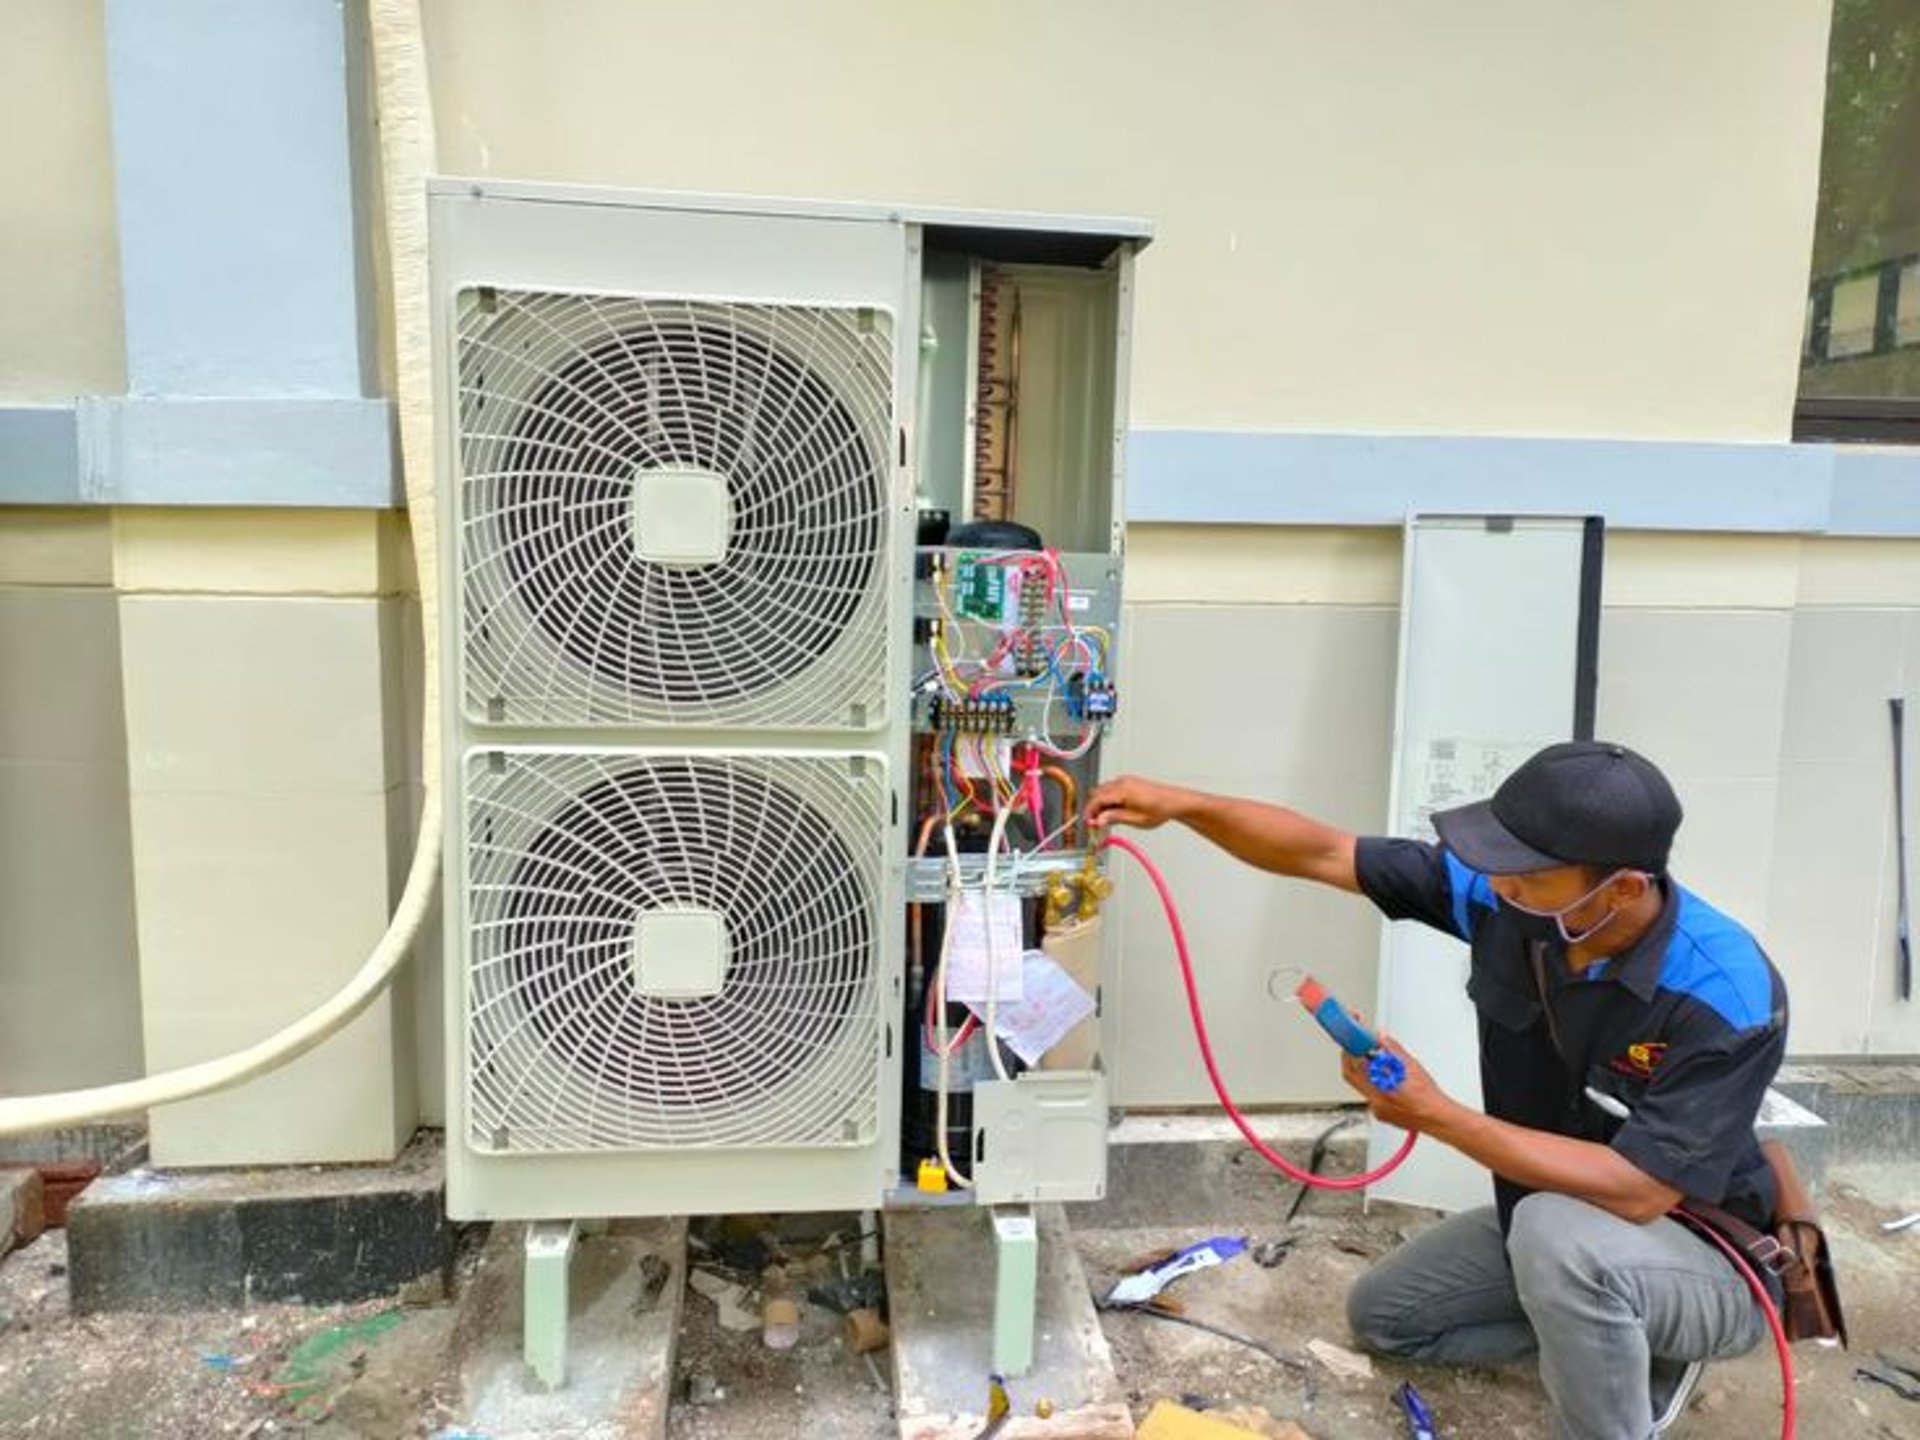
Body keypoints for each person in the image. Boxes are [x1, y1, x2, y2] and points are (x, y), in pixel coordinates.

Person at [1087, 740, 1787, 1440]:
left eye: (1528, 874)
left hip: (1704, 1255)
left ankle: (1630, 1390)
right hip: (1560, 1220)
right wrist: (1185, 806)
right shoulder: (1515, 904)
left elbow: (1640, 1191)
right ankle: (1615, 1341)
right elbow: (1325, 853)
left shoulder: (1724, 993)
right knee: (1387, 1317)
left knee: (1554, 1237)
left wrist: (1437, 1115)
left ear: (1623, 888)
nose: (1500, 883)